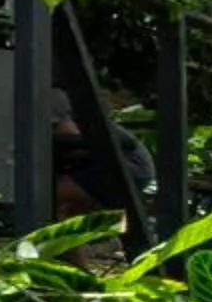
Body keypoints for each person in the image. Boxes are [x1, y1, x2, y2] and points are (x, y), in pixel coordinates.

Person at [48, 86, 157, 226]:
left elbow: (74, 139)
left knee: (47, 197)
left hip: (127, 162)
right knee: (64, 218)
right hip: (106, 162)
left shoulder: (52, 101)